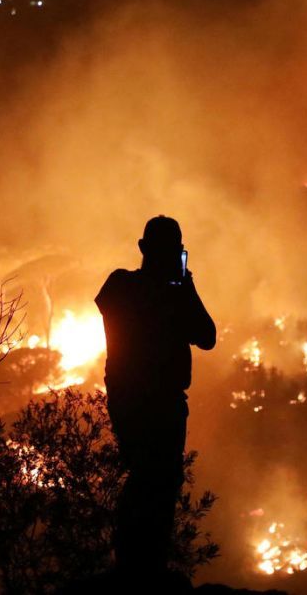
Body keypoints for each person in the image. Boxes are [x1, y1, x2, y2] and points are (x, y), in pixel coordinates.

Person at [95, 215, 216, 590]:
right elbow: (206, 335)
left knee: (154, 480)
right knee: (154, 480)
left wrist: (180, 287)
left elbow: (207, 337)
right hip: (151, 399)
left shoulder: (125, 286)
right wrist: (184, 287)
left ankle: (141, 567)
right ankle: (140, 569)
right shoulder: (135, 287)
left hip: (134, 397)